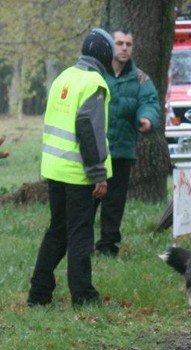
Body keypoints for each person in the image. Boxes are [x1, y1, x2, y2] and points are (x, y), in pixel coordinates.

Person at [27, 28, 114, 307]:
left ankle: (38, 294)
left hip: (55, 169)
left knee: (57, 231)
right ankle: (83, 296)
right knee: (80, 234)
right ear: (104, 54)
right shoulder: (94, 83)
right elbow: (88, 129)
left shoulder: (63, 77)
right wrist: (98, 174)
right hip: (79, 173)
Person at [94, 28, 160, 257]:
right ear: (111, 46)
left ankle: (107, 246)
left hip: (121, 150)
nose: (124, 48)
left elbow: (150, 103)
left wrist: (147, 119)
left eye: (128, 44)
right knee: (88, 199)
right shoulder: (97, 73)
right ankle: (80, 244)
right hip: (94, 150)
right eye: (119, 43)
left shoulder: (141, 78)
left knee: (114, 202)